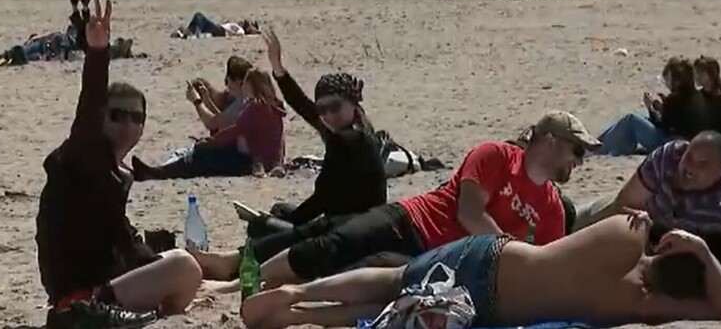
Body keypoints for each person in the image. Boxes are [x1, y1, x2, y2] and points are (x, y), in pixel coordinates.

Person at [242, 111, 599, 289]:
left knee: (344, 271)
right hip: (413, 221)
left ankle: (254, 277)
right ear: (550, 141)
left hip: (436, 261)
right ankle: (238, 281)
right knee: (331, 243)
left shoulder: (552, 207)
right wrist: (515, 253)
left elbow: (545, 266)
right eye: (577, 151)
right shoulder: (497, 156)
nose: (579, 162)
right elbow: (470, 214)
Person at [240, 216, 721, 329]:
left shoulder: (630, 231)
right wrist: (704, 255)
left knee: (397, 279)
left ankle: (299, 291)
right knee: (395, 309)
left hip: (494, 255)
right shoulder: (644, 306)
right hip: (490, 306)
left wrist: (691, 242)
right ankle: (301, 317)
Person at [35, 0, 202, 328]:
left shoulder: (118, 173)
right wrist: (98, 53)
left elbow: (124, 244)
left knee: (183, 264)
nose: (127, 124)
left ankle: (150, 315)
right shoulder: (81, 156)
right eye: (117, 115)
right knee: (183, 267)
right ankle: (85, 313)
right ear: (102, 118)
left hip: (102, 285)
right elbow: (88, 110)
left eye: (136, 118)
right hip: (78, 297)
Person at [191, 28, 389, 280]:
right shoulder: (353, 128)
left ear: (352, 103)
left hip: (350, 231)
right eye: (323, 110)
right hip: (351, 223)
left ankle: (235, 261)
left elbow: (322, 200)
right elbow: (304, 106)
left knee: (268, 226)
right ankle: (239, 257)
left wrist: (290, 222)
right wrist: (278, 69)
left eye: (335, 107)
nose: (328, 115)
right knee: (279, 212)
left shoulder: (348, 140)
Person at [132, 68, 287, 179]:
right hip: (265, 160)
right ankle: (158, 171)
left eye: (246, 83)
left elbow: (234, 130)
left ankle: (157, 173)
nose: (243, 87)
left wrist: (210, 142)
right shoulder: (274, 107)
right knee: (203, 154)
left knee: (202, 156)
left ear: (253, 86)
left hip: (251, 161)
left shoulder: (256, 107)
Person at [572, 131, 721, 233]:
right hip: (629, 217)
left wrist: (651, 227)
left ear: (720, 171)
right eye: (689, 157)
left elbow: (688, 247)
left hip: (656, 246)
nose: (690, 167)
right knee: (569, 222)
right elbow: (625, 203)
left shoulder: (718, 207)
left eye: (702, 164)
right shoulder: (670, 155)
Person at [596, 57, 711, 156]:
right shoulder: (696, 95)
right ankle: (600, 142)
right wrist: (660, 107)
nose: (666, 83)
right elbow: (677, 120)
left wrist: (651, 108)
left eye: (668, 79)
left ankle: (599, 147)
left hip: (670, 144)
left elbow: (663, 125)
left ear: (676, 80)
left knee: (631, 120)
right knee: (641, 117)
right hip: (687, 142)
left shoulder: (676, 98)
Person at [188, 55, 254, 135]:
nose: (227, 85)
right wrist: (207, 99)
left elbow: (213, 123)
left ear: (238, 81)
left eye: (228, 80)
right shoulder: (250, 97)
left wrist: (197, 101)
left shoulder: (244, 102)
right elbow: (222, 119)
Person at [173, 12, 261, 39]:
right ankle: (185, 32)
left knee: (199, 16)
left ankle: (191, 33)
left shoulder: (240, 30)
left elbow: (237, 34)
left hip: (218, 30)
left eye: (251, 24)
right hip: (217, 28)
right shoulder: (238, 27)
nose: (248, 22)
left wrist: (254, 31)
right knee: (198, 20)